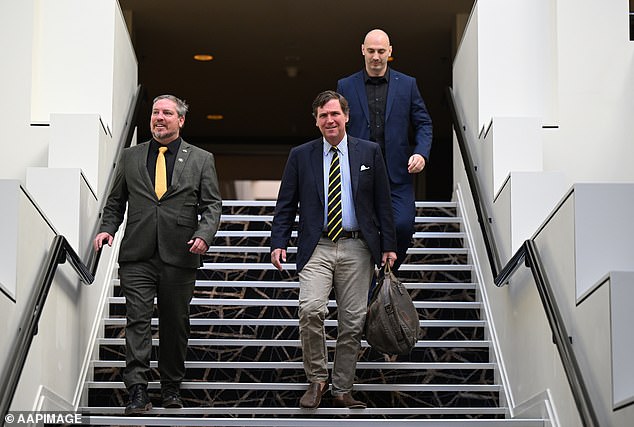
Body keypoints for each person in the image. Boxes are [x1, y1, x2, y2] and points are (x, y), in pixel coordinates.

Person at [93, 94, 222, 415]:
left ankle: (171, 387)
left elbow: (212, 205)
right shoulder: (131, 156)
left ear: (181, 120)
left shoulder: (201, 159)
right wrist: (107, 227)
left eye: (166, 113)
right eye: (155, 112)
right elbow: (115, 200)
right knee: (137, 319)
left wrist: (204, 235)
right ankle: (137, 389)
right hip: (137, 253)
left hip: (180, 253)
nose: (159, 117)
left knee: (174, 323)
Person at [270, 90, 397, 409]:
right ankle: (317, 380)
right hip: (318, 245)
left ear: (347, 116)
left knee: (352, 321)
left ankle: (342, 388)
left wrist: (389, 246)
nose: (330, 120)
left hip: (358, 247)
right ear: (316, 121)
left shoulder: (369, 152)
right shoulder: (301, 155)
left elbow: (383, 202)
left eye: (334, 114)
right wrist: (278, 242)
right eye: (323, 115)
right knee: (311, 309)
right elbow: (286, 204)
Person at [337, 28, 433, 270]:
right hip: (359, 172)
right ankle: (369, 286)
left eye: (381, 51)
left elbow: (423, 123)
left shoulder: (408, 84)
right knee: (364, 231)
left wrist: (421, 152)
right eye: (371, 51)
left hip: (397, 173)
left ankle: (387, 274)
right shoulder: (345, 85)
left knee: (402, 224)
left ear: (390, 51)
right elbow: (336, 125)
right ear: (362, 50)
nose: (376, 56)